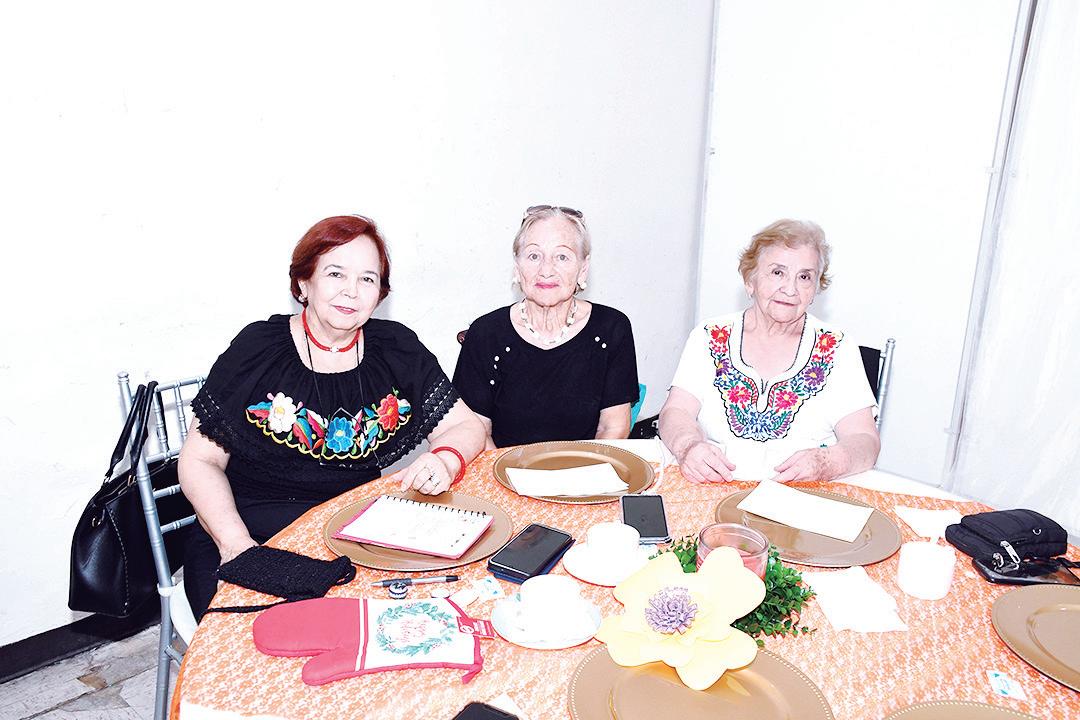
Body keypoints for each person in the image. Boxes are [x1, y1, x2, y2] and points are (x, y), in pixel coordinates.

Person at [178, 215, 485, 619]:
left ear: (380, 293)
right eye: (335, 273)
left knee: (414, 620)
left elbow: (465, 425)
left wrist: (445, 459)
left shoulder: (396, 348)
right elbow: (199, 460)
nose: (351, 291)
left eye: (367, 279)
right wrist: (235, 544)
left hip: (354, 536)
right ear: (304, 282)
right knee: (274, 644)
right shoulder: (258, 349)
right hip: (251, 533)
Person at [659, 219, 879, 483]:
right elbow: (676, 412)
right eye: (777, 273)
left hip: (803, 494)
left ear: (815, 289)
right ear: (750, 280)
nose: (790, 289)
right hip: (713, 486)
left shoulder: (838, 347)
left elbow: (864, 441)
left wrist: (827, 462)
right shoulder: (709, 335)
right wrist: (688, 446)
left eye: (805, 277)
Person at [453, 205, 639, 448]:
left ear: (583, 269)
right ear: (517, 266)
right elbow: (477, 432)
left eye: (562, 257)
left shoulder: (611, 329)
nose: (546, 270)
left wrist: (587, 470)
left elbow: (613, 428)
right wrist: (509, 473)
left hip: (588, 466)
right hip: (503, 468)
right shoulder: (485, 334)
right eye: (534, 256)